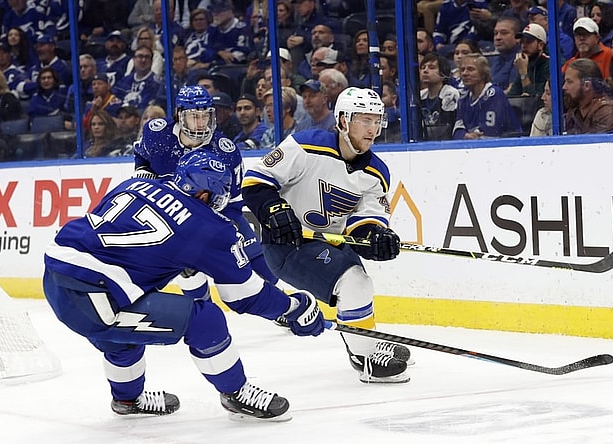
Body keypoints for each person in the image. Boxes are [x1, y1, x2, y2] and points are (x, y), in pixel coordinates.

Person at [43, 149, 324, 421]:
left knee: (126, 327)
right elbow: (244, 296)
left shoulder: (136, 184)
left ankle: (127, 399)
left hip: (56, 271)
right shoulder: (210, 228)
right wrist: (294, 307)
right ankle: (236, 393)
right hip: (93, 297)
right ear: (206, 194)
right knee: (205, 319)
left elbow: (108, 233)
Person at [242, 87, 411, 384]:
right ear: (343, 121)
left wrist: (376, 239)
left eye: (377, 120)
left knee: (358, 279)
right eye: (364, 120)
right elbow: (256, 183)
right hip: (287, 245)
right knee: (354, 281)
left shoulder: (377, 172)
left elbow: (364, 224)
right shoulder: (305, 145)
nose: (373, 128)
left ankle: (365, 336)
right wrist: (274, 210)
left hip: (329, 243)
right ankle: (364, 355)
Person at [133, 85, 278, 285]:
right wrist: (143, 171)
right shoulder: (157, 133)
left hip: (214, 212)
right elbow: (142, 154)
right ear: (179, 115)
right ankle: (201, 305)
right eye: (195, 116)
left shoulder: (225, 152)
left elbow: (233, 204)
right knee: (187, 275)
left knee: (257, 258)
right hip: (171, 214)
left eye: (206, 116)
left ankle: (288, 304)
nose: (202, 123)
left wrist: (219, 231)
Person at [453, 54, 521, 139]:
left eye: (470, 69)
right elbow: (457, 130)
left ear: (483, 74)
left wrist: (472, 136)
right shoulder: (463, 99)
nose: (465, 73)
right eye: (462, 70)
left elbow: (490, 133)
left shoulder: (494, 95)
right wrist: (465, 135)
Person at [562, 58, 613, 134]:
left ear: (587, 85)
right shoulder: (574, 111)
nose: (564, 87)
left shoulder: (606, 110)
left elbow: (598, 144)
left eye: (569, 82)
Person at [419, 53, 460, 140]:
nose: (425, 71)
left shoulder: (450, 94)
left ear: (443, 73)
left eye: (431, 67)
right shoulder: (420, 95)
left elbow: (446, 128)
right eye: (423, 67)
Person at [507, 23, 550, 97]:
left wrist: (523, 73)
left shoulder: (550, 65)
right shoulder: (525, 64)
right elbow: (511, 97)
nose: (523, 46)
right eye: (522, 42)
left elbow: (536, 99)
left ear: (540, 45)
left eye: (528, 42)